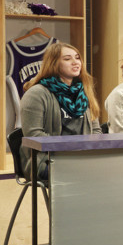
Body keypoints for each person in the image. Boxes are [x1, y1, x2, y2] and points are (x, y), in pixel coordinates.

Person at [20, 42, 101, 174]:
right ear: (53, 64)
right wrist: (71, 151)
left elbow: (96, 131)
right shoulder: (36, 93)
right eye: (67, 59)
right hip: (46, 159)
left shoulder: (84, 92)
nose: (75, 62)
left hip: (81, 157)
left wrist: (84, 152)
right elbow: (33, 135)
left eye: (77, 57)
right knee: (83, 173)